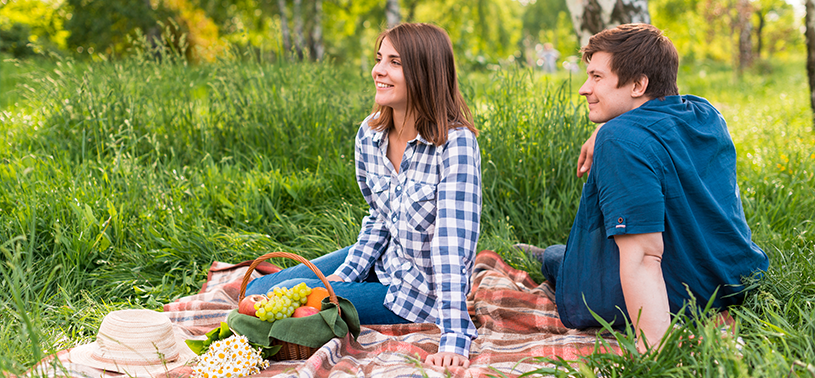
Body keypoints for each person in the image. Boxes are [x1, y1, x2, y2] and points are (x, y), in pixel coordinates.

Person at [518, 23, 769, 352]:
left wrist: (654, 346)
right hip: (735, 278)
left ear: (638, 84)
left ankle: (547, 259)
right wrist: (609, 128)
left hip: (682, 294)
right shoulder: (706, 113)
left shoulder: (622, 140)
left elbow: (642, 257)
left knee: (562, 260)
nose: (583, 88)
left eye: (596, 77)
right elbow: (659, 110)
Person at [246, 23, 481, 368]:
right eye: (378, 58)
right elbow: (380, 218)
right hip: (384, 259)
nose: (378, 71)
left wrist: (455, 337)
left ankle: (322, 288)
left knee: (284, 296)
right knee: (258, 292)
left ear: (425, 72)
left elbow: (451, 247)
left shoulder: (455, 145)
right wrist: (350, 271)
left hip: (414, 292)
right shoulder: (370, 135)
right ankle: (321, 281)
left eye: (395, 62)